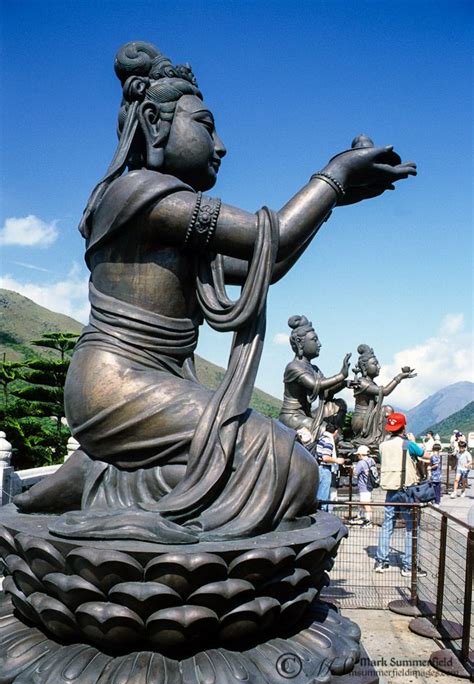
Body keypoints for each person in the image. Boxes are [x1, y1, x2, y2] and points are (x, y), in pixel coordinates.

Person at [14, 41, 416, 542]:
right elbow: (268, 235)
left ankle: (99, 477)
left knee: (274, 462)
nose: (221, 144)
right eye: (206, 126)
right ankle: (100, 483)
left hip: (144, 380)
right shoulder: (141, 194)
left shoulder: (162, 212)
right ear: (156, 123)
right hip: (115, 383)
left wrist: (329, 203)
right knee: (289, 466)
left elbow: (263, 265)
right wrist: (332, 178)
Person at [374, 412, 429, 576]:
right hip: (407, 491)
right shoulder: (408, 444)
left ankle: (381, 562)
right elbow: (425, 455)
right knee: (412, 527)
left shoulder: (382, 446)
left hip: (390, 490)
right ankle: (408, 566)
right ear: (403, 426)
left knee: (387, 524)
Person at [279, 316, 350, 440]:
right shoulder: (294, 367)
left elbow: (326, 391)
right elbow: (315, 384)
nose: (319, 344)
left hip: (307, 414)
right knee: (329, 434)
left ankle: (334, 435)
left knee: (338, 404)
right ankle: (331, 442)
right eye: (314, 340)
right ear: (300, 344)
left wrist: (344, 383)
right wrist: (340, 376)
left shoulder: (314, 368)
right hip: (292, 417)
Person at [350, 345, 416, 448]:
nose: (379, 366)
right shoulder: (361, 382)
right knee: (386, 410)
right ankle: (387, 438)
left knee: (385, 409)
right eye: (375, 364)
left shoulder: (372, 383)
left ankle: (388, 436)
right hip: (363, 421)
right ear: (364, 367)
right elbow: (384, 391)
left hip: (370, 418)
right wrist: (399, 377)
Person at [316, 424, 345, 512]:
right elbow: (325, 457)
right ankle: (323, 513)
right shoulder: (328, 441)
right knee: (323, 494)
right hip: (325, 469)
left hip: (319, 467)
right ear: (335, 432)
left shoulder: (321, 438)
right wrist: (337, 461)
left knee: (319, 492)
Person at [353, 445, 375, 527]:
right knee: (362, 503)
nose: (358, 456)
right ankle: (361, 518)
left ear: (361, 454)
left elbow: (355, 473)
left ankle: (368, 522)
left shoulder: (361, 463)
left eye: (358, 455)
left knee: (366, 505)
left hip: (363, 486)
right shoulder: (371, 460)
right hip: (369, 485)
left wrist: (354, 468)